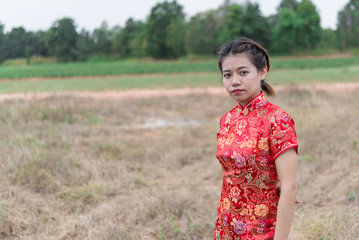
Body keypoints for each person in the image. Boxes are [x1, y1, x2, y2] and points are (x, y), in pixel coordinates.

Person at [214, 37, 298, 240]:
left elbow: (289, 187)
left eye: (243, 72)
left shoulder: (278, 120)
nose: (234, 81)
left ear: (262, 72)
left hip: (262, 229)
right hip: (226, 226)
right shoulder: (227, 120)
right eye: (228, 74)